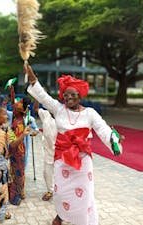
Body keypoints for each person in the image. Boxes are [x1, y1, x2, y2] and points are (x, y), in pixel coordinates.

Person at [25, 64, 123, 225]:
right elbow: (42, 96)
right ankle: (62, 215)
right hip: (62, 160)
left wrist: (114, 142)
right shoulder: (58, 109)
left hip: (82, 162)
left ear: (80, 96)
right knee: (61, 193)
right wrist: (32, 76)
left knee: (84, 194)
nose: (68, 98)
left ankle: (82, 220)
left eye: (72, 95)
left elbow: (103, 129)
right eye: (65, 95)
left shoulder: (90, 113)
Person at [33, 100, 57, 201]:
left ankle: (62, 191)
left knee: (62, 173)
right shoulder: (46, 114)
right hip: (48, 151)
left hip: (61, 152)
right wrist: (37, 98)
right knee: (46, 172)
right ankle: (50, 191)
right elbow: (36, 109)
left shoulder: (63, 121)